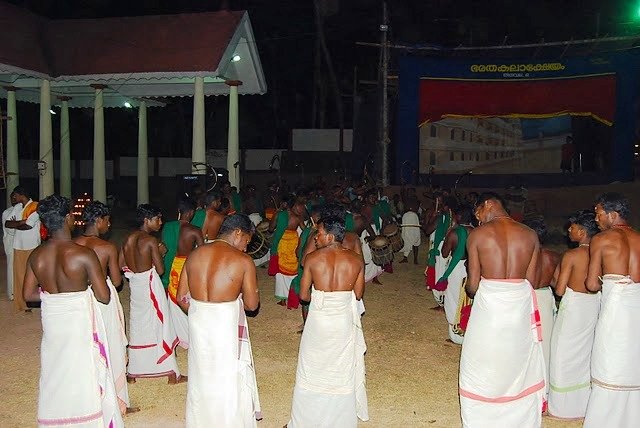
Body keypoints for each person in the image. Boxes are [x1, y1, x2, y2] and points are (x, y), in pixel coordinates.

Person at [22, 195, 123, 427]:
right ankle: (87, 415)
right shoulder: (82, 254)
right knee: (82, 365)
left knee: (56, 365)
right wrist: (80, 293)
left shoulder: (36, 255)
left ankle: (55, 416)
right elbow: (104, 296)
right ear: (68, 218)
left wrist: (53, 298)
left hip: (54, 320)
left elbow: (28, 295)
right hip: (78, 319)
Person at [459, 192, 544, 427]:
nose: (478, 220)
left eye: (478, 213)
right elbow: (532, 282)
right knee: (516, 356)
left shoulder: (477, 235)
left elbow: (473, 286)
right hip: (519, 303)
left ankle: (483, 415)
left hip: (490, 305)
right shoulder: (529, 234)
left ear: (488, 204)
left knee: (481, 357)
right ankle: (517, 413)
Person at [176, 214, 261, 427]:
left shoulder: (194, 254)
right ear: (238, 233)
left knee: (202, 371)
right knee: (226, 373)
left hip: (198, 321)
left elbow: (180, 297)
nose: (245, 248)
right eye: (246, 242)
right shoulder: (242, 261)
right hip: (224, 322)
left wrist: (200, 310)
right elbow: (252, 304)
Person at [288, 215, 369, 427]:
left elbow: (304, 296)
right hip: (342, 320)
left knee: (312, 366)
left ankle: (306, 419)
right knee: (340, 367)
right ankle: (339, 419)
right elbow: (359, 293)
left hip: (319, 320)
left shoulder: (313, 259)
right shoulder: (356, 260)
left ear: (331, 235)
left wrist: (321, 295)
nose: (315, 237)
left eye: (319, 233)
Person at [584, 193, 640, 427]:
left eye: (598, 214)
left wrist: (605, 280)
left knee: (609, 356)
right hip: (636, 302)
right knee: (632, 356)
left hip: (616, 306)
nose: (596, 219)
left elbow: (591, 284)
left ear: (612, 214)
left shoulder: (602, 239)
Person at [75, 201, 134, 416]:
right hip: (103, 298)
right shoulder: (107, 247)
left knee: (89, 344)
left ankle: (92, 395)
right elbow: (117, 282)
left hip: (80, 298)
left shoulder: (74, 243)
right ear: (99, 221)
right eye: (107, 221)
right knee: (112, 343)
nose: (109, 225)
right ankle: (118, 401)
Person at [120, 204, 184, 384]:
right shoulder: (149, 241)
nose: (160, 222)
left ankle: (133, 371)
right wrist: (161, 252)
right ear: (147, 220)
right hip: (149, 284)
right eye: (158, 219)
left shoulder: (127, 238)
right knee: (160, 323)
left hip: (136, 285)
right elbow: (161, 270)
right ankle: (171, 373)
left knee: (138, 324)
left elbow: (120, 264)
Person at [547, 210, 600, 419]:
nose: (569, 230)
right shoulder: (601, 253)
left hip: (575, 306)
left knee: (562, 353)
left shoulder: (572, 255)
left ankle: (561, 408)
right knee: (586, 353)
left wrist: (552, 276)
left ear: (582, 231)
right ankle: (583, 403)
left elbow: (559, 290)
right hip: (593, 305)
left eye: (573, 227)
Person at [526, 217, 561, 407]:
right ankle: (544, 389)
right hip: (545, 297)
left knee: (526, 341)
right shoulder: (554, 256)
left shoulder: (522, 254)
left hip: (527, 297)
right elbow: (557, 285)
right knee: (544, 342)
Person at [162, 197, 204, 349]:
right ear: (192, 213)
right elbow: (201, 251)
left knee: (174, 298)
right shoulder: (194, 229)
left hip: (172, 265)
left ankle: (176, 333)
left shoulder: (167, 226)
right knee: (187, 298)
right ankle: (188, 335)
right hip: (187, 265)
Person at [439, 205, 475, 344]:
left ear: (458, 217)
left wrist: (448, 233)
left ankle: (456, 335)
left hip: (456, 268)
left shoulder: (454, 233)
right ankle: (467, 330)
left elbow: (444, 253)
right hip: (472, 267)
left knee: (454, 299)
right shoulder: (476, 232)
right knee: (467, 300)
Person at [5, 186, 41, 312]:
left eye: (15, 195)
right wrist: (21, 222)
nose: (13, 197)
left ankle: (32, 302)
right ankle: (21, 303)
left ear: (22, 195)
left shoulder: (35, 207)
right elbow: (7, 223)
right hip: (18, 245)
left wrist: (17, 223)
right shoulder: (17, 207)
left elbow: (28, 226)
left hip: (32, 245)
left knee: (33, 275)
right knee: (19, 275)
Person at [268, 195, 305, 305]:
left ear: (284, 204)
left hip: (281, 243)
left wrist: (277, 214)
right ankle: (293, 293)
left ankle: (283, 299)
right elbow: (304, 230)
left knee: (281, 271)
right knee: (293, 268)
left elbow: (270, 228)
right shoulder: (298, 217)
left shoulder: (279, 214)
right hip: (293, 243)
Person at [424, 195, 456, 309]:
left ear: (446, 206)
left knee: (439, 273)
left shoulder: (440, 217)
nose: (438, 206)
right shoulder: (456, 217)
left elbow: (427, 230)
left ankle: (441, 303)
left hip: (440, 248)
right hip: (451, 248)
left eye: (441, 204)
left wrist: (431, 218)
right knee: (446, 272)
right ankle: (445, 301)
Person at [2, 191, 22, 300]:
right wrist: (19, 224)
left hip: (20, 243)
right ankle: (12, 293)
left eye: (16, 197)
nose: (14, 199)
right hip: (11, 243)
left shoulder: (23, 210)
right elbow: (11, 231)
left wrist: (18, 224)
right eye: (12, 197)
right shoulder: (7, 212)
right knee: (11, 268)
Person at [399, 198, 421, 264]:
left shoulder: (406, 215)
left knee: (409, 243)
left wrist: (404, 233)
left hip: (409, 232)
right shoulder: (413, 215)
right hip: (413, 232)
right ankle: (414, 259)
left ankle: (412, 259)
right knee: (414, 245)